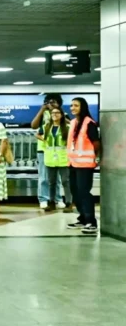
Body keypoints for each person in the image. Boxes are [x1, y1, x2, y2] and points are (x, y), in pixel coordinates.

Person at [67, 97, 100, 235]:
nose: (72, 108)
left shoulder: (89, 123)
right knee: (75, 191)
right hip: (73, 163)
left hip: (85, 164)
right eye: (71, 105)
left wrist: (96, 157)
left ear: (82, 107)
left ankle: (91, 222)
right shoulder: (74, 122)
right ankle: (82, 217)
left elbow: (96, 142)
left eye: (76, 105)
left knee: (84, 192)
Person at [31, 93, 66, 209]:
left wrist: (58, 111)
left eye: (53, 102)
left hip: (59, 151)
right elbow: (33, 126)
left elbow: (69, 125)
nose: (51, 105)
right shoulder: (43, 114)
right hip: (43, 149)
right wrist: (42, 110)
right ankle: (43, 198)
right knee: (44, 176)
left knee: (57, 177)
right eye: (48, 102)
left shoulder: (62, 115)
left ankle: (57, 198)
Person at [36, 108, 73, 213]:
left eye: (57, 113)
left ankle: (69, 203)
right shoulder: (46, 127)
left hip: (63, 159)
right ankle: (51, 202)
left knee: (66, 181)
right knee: (51, 182)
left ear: (62, 115)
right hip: (50, 159)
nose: (54, 115)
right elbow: (37, 134)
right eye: (53, 113)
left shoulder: (67, 127)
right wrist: (43, 138)